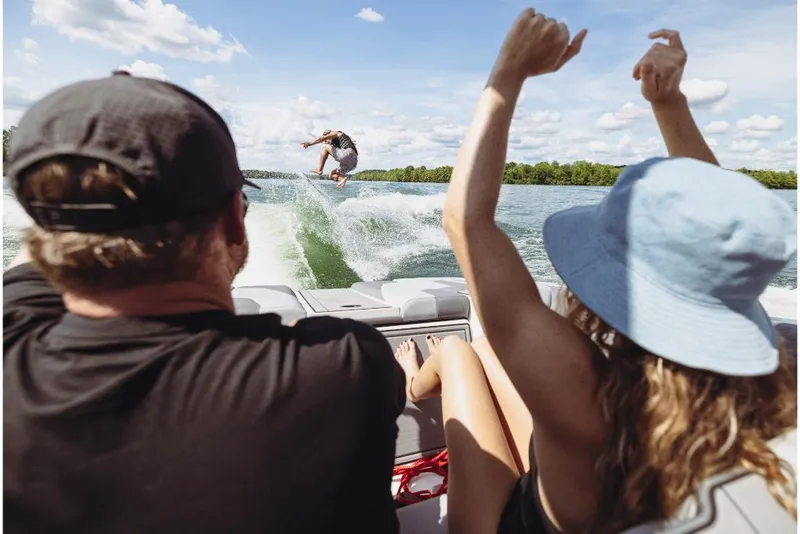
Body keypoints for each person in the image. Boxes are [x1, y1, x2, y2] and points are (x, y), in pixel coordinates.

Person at [396, 10, 797, 534]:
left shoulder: (582, 388)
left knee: (455, 351)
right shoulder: (771, 382)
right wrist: (669, 104)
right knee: (493, 355)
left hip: (505, 524)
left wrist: (506, 75)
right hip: (582, 491)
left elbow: (466, 223)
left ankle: (407, 385)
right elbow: (716, 241)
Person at [3, 72, 406, 534]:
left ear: (43, 228)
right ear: (236, 220)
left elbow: (29, 265)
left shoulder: (9, 343)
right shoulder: (346, 366)